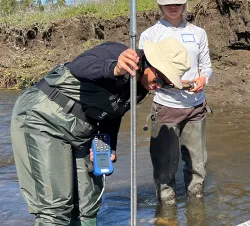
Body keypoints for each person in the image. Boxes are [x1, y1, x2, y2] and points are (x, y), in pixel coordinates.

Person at [11, 37, 191, 226]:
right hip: (44, 118)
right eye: (160, 78)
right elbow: (78, 66)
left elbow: (113, 114)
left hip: (81, 130)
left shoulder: (140, 88)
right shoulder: (115, 52)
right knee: (56, 205)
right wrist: (114, 69)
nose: (158, 86)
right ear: (151, 64)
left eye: (166, 84)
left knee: (88, 202)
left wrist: (109, 144)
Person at [139, 0, 213, 204]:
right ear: (160, 4)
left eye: (178, 2)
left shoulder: (198, 33)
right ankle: (167, 211)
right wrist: (147, 78)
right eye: (168, 2)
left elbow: (206, 66)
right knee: (164, 167)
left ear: (185, 4)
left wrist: (203, 79)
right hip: (166, 107)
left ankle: (197, 208)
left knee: (197, 166)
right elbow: (143, 74)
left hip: (195, 107)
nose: (173, 7)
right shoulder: (149, 35)